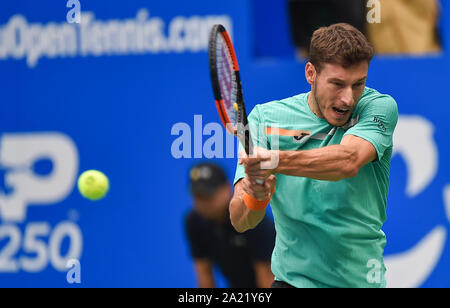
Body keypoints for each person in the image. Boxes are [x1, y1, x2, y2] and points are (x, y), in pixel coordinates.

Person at [230, 23, 398, 288]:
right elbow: (240, 221)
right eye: (337, 84)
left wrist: (275, 160)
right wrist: (256, 197)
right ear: (311, 73)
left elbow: (348, 160)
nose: (347, 99)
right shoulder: (265, 119)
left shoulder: (378, 107)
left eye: (358, 84)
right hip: (292, 282)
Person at [184, 163, 275, 288]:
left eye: (208, 195)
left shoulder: (257, 224)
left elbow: (267, 280)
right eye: (198, 196)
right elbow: (204, 274)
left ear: (227, 188)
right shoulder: (194, 222)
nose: (204, 202)